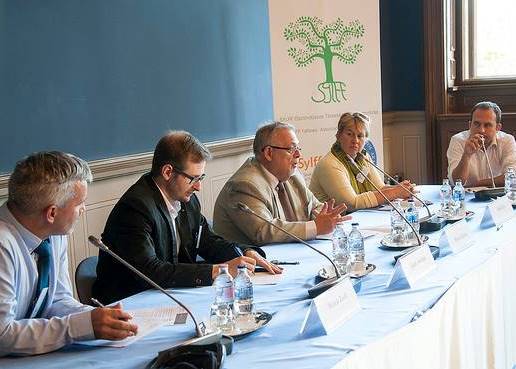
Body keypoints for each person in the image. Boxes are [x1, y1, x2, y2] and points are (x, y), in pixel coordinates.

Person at [93, 131, 281, 304]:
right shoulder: (136, 208)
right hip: (131, 304)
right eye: (193, 179)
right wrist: (217, 271)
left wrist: (243, 252)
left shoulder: (187, 201)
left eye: (201, 178)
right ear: (167, 172)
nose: (198, 187)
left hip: (169, 297)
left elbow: (208, 242)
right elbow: (150, 271)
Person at [0, 152, 137, 356]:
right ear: (52, 213)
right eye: (80, 203)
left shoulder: (53, 233)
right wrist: (82, 327)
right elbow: (3, 336)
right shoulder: (3, 246)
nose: (83, 210)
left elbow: (57, 300)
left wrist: (97, 318)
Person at [213, 121, 349, 246]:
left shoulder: (292, 175)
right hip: (248, 266)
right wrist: (316, 227)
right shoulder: (245, 185)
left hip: (291, 254)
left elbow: (314, 206)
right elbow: (264, 231)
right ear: (269, 153)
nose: (298, 155)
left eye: (298, 148)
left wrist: (329, 218)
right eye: (291, 149)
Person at [310, 112, 414, 211]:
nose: (355, 140)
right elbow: (351, 203)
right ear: (338, 136)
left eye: (360, 136)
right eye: (349, 134)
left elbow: (379, 188)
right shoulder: (329, 164)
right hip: (333, 226)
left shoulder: (363, 157)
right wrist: (395, 192)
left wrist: (401, 189)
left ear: (366, 139)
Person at [447, 101, 516, 187]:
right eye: (476, 124)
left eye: (487, 125)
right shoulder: (458, 140)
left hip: (497, 195)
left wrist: (478, 184)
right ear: (470, 125)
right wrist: (466, 155)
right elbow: (456, 181)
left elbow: (512, 177)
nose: (481, 130)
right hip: (467, 196)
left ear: (498, 128)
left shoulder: (507, 140)